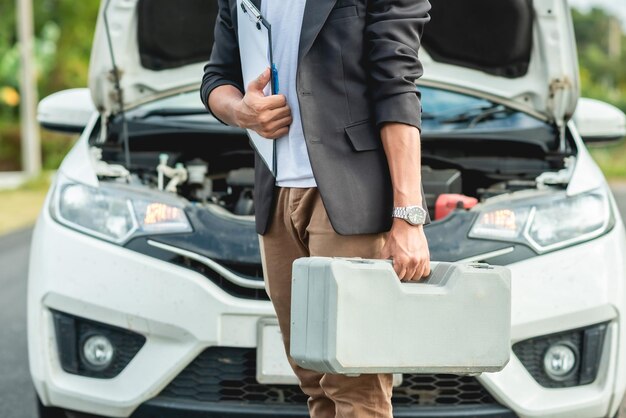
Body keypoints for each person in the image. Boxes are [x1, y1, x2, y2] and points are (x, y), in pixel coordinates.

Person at [200, 0, 431, 416]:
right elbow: (218, 76)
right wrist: (240, 111)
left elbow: (396, 82)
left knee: (356, 386)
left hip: (349, 198)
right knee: (314, 382)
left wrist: (408, 215)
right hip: (276, 199)